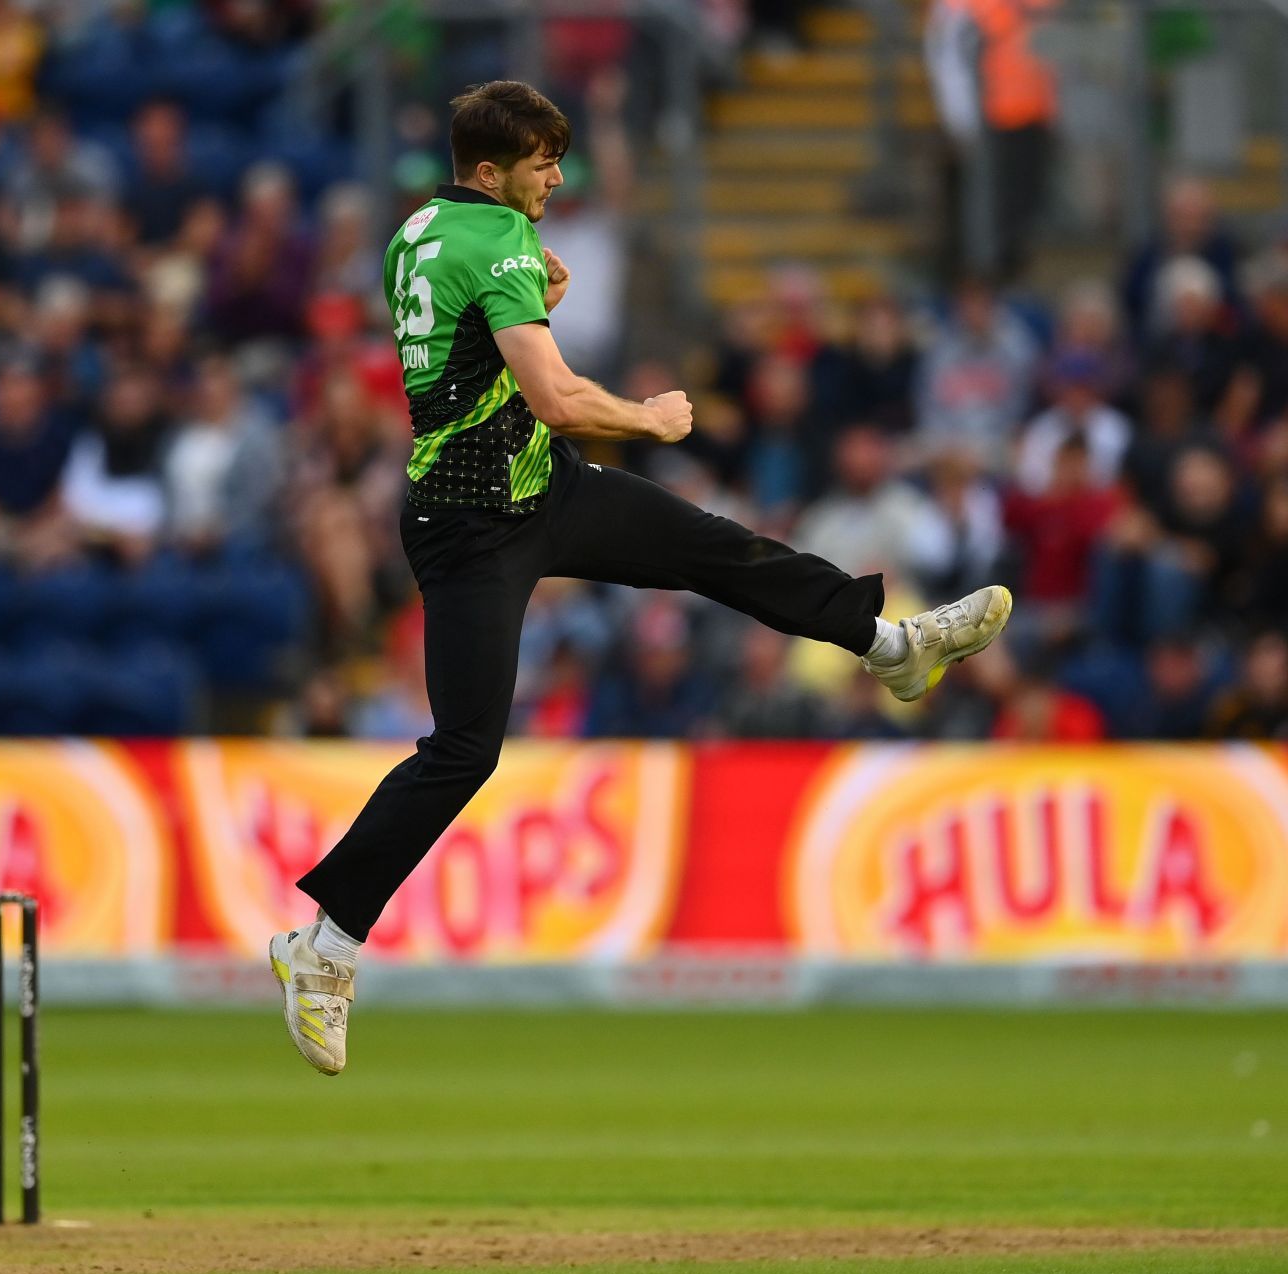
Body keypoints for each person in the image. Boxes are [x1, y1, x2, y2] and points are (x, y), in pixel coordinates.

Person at [268, 81, 1014, 1076]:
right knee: (464, 747)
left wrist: (530, 291)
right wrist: (652, 416)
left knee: (714, 547)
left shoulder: (421, 230)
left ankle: (892, 644)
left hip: (539, 488)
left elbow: (466, 337)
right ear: (490, 172)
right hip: (470, 522)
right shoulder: (497, 243)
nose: (557, 176)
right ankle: (322, 950)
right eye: (540, 162)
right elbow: (559, 396)